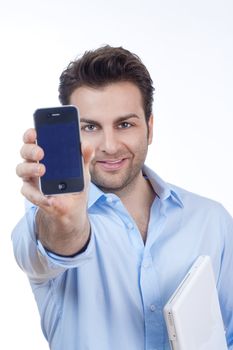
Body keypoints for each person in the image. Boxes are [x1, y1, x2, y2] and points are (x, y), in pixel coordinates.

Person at [12, 45, 233, 350]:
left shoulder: (211, 221)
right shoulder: (47, 217)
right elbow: (53, 247)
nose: (110, 145)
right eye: (90, 127)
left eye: (125, 124)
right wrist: (63, 221)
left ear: (149, 128)